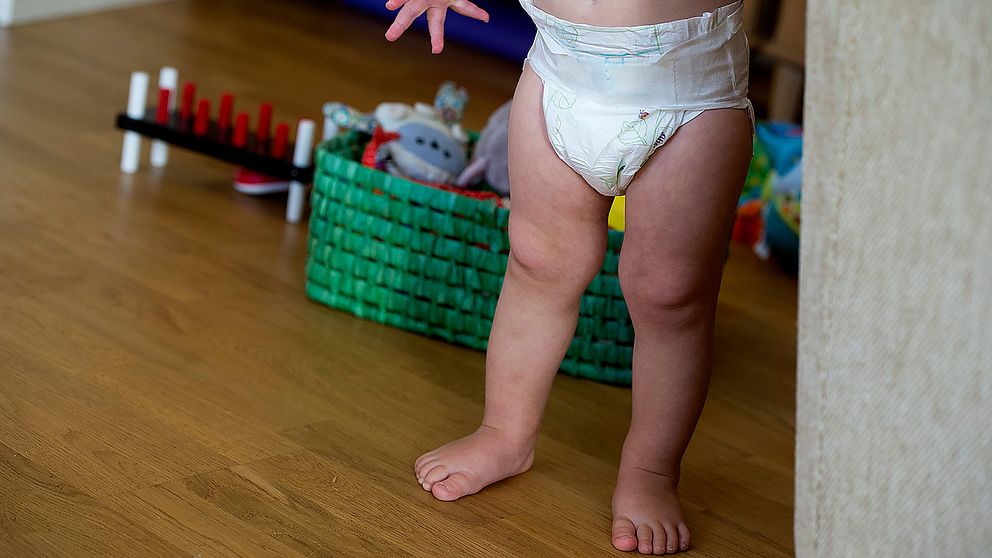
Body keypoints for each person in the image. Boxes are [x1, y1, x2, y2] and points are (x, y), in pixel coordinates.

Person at [386, 0, 753, 553]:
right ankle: (505, 433)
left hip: (691, 93)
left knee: (670, 294)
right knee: (538, 261)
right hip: (558, 68)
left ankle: (652, 471)